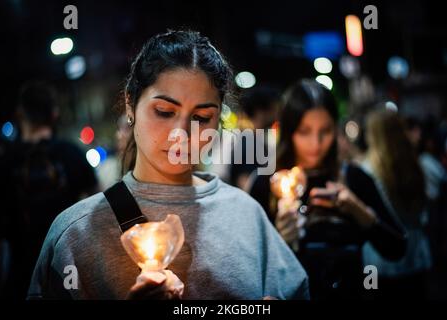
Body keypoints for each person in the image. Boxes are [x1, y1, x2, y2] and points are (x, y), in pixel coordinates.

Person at [28, 30, 309, 300]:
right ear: (130, 103)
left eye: (201, 117)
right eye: (164, 111)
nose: (182, 134)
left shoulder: (246, 216)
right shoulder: (75, 235)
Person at [248, 79, 407, 299]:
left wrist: (359, 211)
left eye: (326, 130)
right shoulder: (266, 183)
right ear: (288, 131)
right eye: (304, 131)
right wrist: (278, 239)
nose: (316, 142)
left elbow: (398, 248)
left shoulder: (354, 178)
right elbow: (247, 268)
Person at [0, 81, 98, 299]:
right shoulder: (71, 154)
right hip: (69, 271)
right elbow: (98, 210)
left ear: (19, 114)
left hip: (21, 274)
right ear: (54, 114)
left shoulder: (5, 162)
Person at [360, 109, 432, 299]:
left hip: (378, 262)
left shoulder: (367, 170)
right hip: (416, 256)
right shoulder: (415, 163)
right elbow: (423, 213)